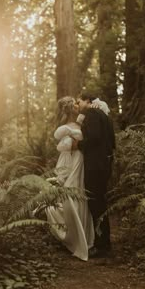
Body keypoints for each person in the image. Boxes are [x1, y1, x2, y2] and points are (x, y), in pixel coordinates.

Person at [46, 96, 95, 261]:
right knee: (69, 193)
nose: (76, 106)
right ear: (69, 109)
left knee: (79, 192)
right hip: (71, 160)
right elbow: (62, 144)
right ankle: (73, 235)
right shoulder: (64, 127)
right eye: (73, 104)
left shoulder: (83, 123)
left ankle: (85, 237)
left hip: (81, 160)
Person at [72, 92, 115, 258]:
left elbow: (94, 137)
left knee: (95, 203)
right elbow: (111, 140)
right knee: (100, 202)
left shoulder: (91, 113)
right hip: (105, 162)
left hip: (95, 165)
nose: (77, 105)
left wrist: (79, 144)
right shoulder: (104, 114)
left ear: (87, 101)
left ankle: (101, 245)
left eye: (79, 101)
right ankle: (104, 242)